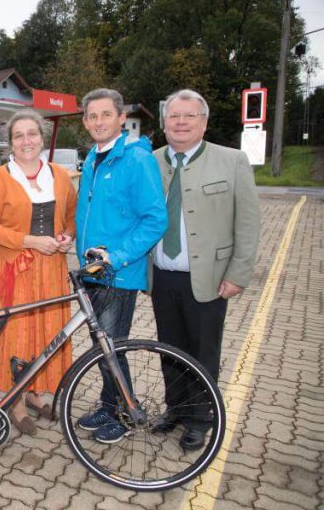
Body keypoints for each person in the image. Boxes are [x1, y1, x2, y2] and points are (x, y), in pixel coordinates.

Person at [150, 89, 260, 450]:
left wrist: (239, 273)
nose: (180, 123)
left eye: (189, 116)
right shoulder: (152, 162)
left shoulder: (232, 161)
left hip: (211, 280)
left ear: (204, 121)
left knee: (202, 351)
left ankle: (200, 418)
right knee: (170, 348)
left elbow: (248, 223)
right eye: (173, 116)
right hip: (162, 276)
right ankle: (176, 410)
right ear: (164, 123)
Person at [74, 88, 167, 443]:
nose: (98, 121)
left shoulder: (135, 160)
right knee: (103, 346)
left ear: (120, 119)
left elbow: (155, 219)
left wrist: (118, 255)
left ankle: (127, 414)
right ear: (85, 121)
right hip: (92, 273)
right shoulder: (95, 160)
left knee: (110, 345)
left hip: (117, 273)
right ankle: (109, 403)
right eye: (92, 116)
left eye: (105, 115)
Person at [0, 110, 76, 435]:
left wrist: (67, 237)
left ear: (42, 138)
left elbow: (73, 215)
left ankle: (34, 392)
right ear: (10, 142)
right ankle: (14, 399)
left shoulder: (60, 176)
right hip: (13, 271)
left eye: (31, 134)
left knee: (44, 333)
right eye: (18, 136)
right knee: (16, 335)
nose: (26, 141)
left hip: (50, 271)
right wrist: (30, 241)